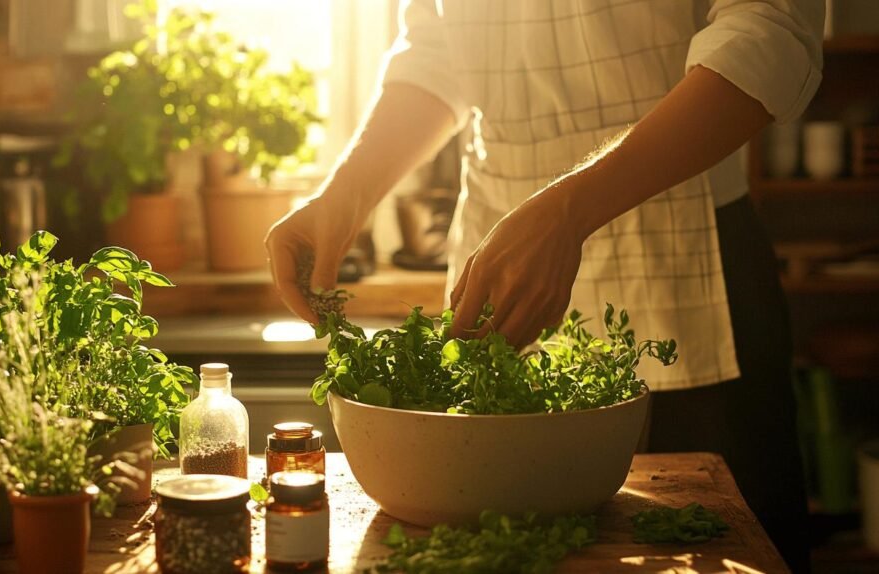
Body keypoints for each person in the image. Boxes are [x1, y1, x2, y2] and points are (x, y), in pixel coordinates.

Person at [266, 1, 822, 571]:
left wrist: (569, 210)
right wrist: (345, 194)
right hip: (497, 266)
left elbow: (770, 29)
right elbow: (438, 48)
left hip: (687, 250)